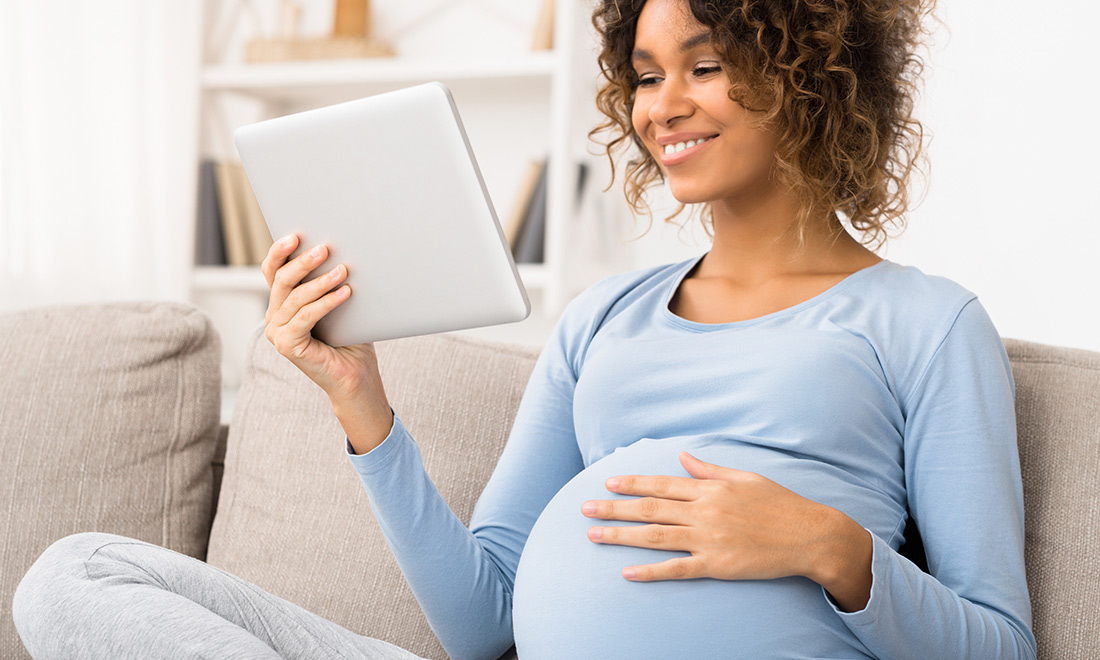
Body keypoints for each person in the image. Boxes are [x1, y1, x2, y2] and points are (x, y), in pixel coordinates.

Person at [13, 0, 1037, 658]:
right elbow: (478, 621)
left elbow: (997, 643)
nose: (661, 106)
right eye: (642, 74)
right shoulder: (601, 320)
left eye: (704, 64)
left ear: (808, 72)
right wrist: (359, 403)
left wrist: (831, 547)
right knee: (76, 579)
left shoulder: (924, 323)